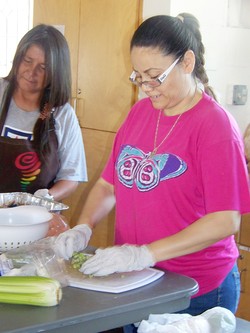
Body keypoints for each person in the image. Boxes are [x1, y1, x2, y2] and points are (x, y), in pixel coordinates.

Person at [55, 12, 250, 325]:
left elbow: (224, 220)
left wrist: (143, 253)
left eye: (154, 76)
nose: (146, 86)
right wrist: (84, 226)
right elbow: (108, 185)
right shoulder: (140, 113)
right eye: (138, 76)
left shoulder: (214, 126)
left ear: (187, 63)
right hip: (139, 280)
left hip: (193, 290)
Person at [0, 24, 87, 201]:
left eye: (43, 67)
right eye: (27, 60)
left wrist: (42, 200)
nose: (31, 72)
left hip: (35, 217)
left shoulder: (63, 114)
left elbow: (71, 177)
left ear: (56, 72)